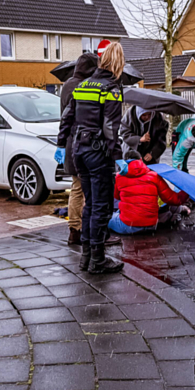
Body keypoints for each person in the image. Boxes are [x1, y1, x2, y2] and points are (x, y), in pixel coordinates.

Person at [57, 41, 126, 274]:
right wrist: (117, 156)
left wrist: (60, 144)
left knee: (88, 205)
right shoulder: (112, 89)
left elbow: (67, 117)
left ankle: (85, 257)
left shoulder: (83, 85)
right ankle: (98, 260)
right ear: (118, 63)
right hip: (99, 154)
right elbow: (110, 127)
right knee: (101, 207)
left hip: (79, 151)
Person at [56, 52, 98, 245]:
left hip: (70, 142)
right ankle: (88, 231)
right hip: (84, 142)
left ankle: (74, 230)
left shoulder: (66, 86)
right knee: (88, 189)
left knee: (76, 188)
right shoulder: (86, 87)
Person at [110, 159, 189, 234]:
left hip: (128, 225)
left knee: (105, 218)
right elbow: (171, 199)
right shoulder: (154, 176)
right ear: (140, 159)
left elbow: (116, 197)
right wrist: (186, 191)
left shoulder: (119, 177)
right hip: (151, 225)